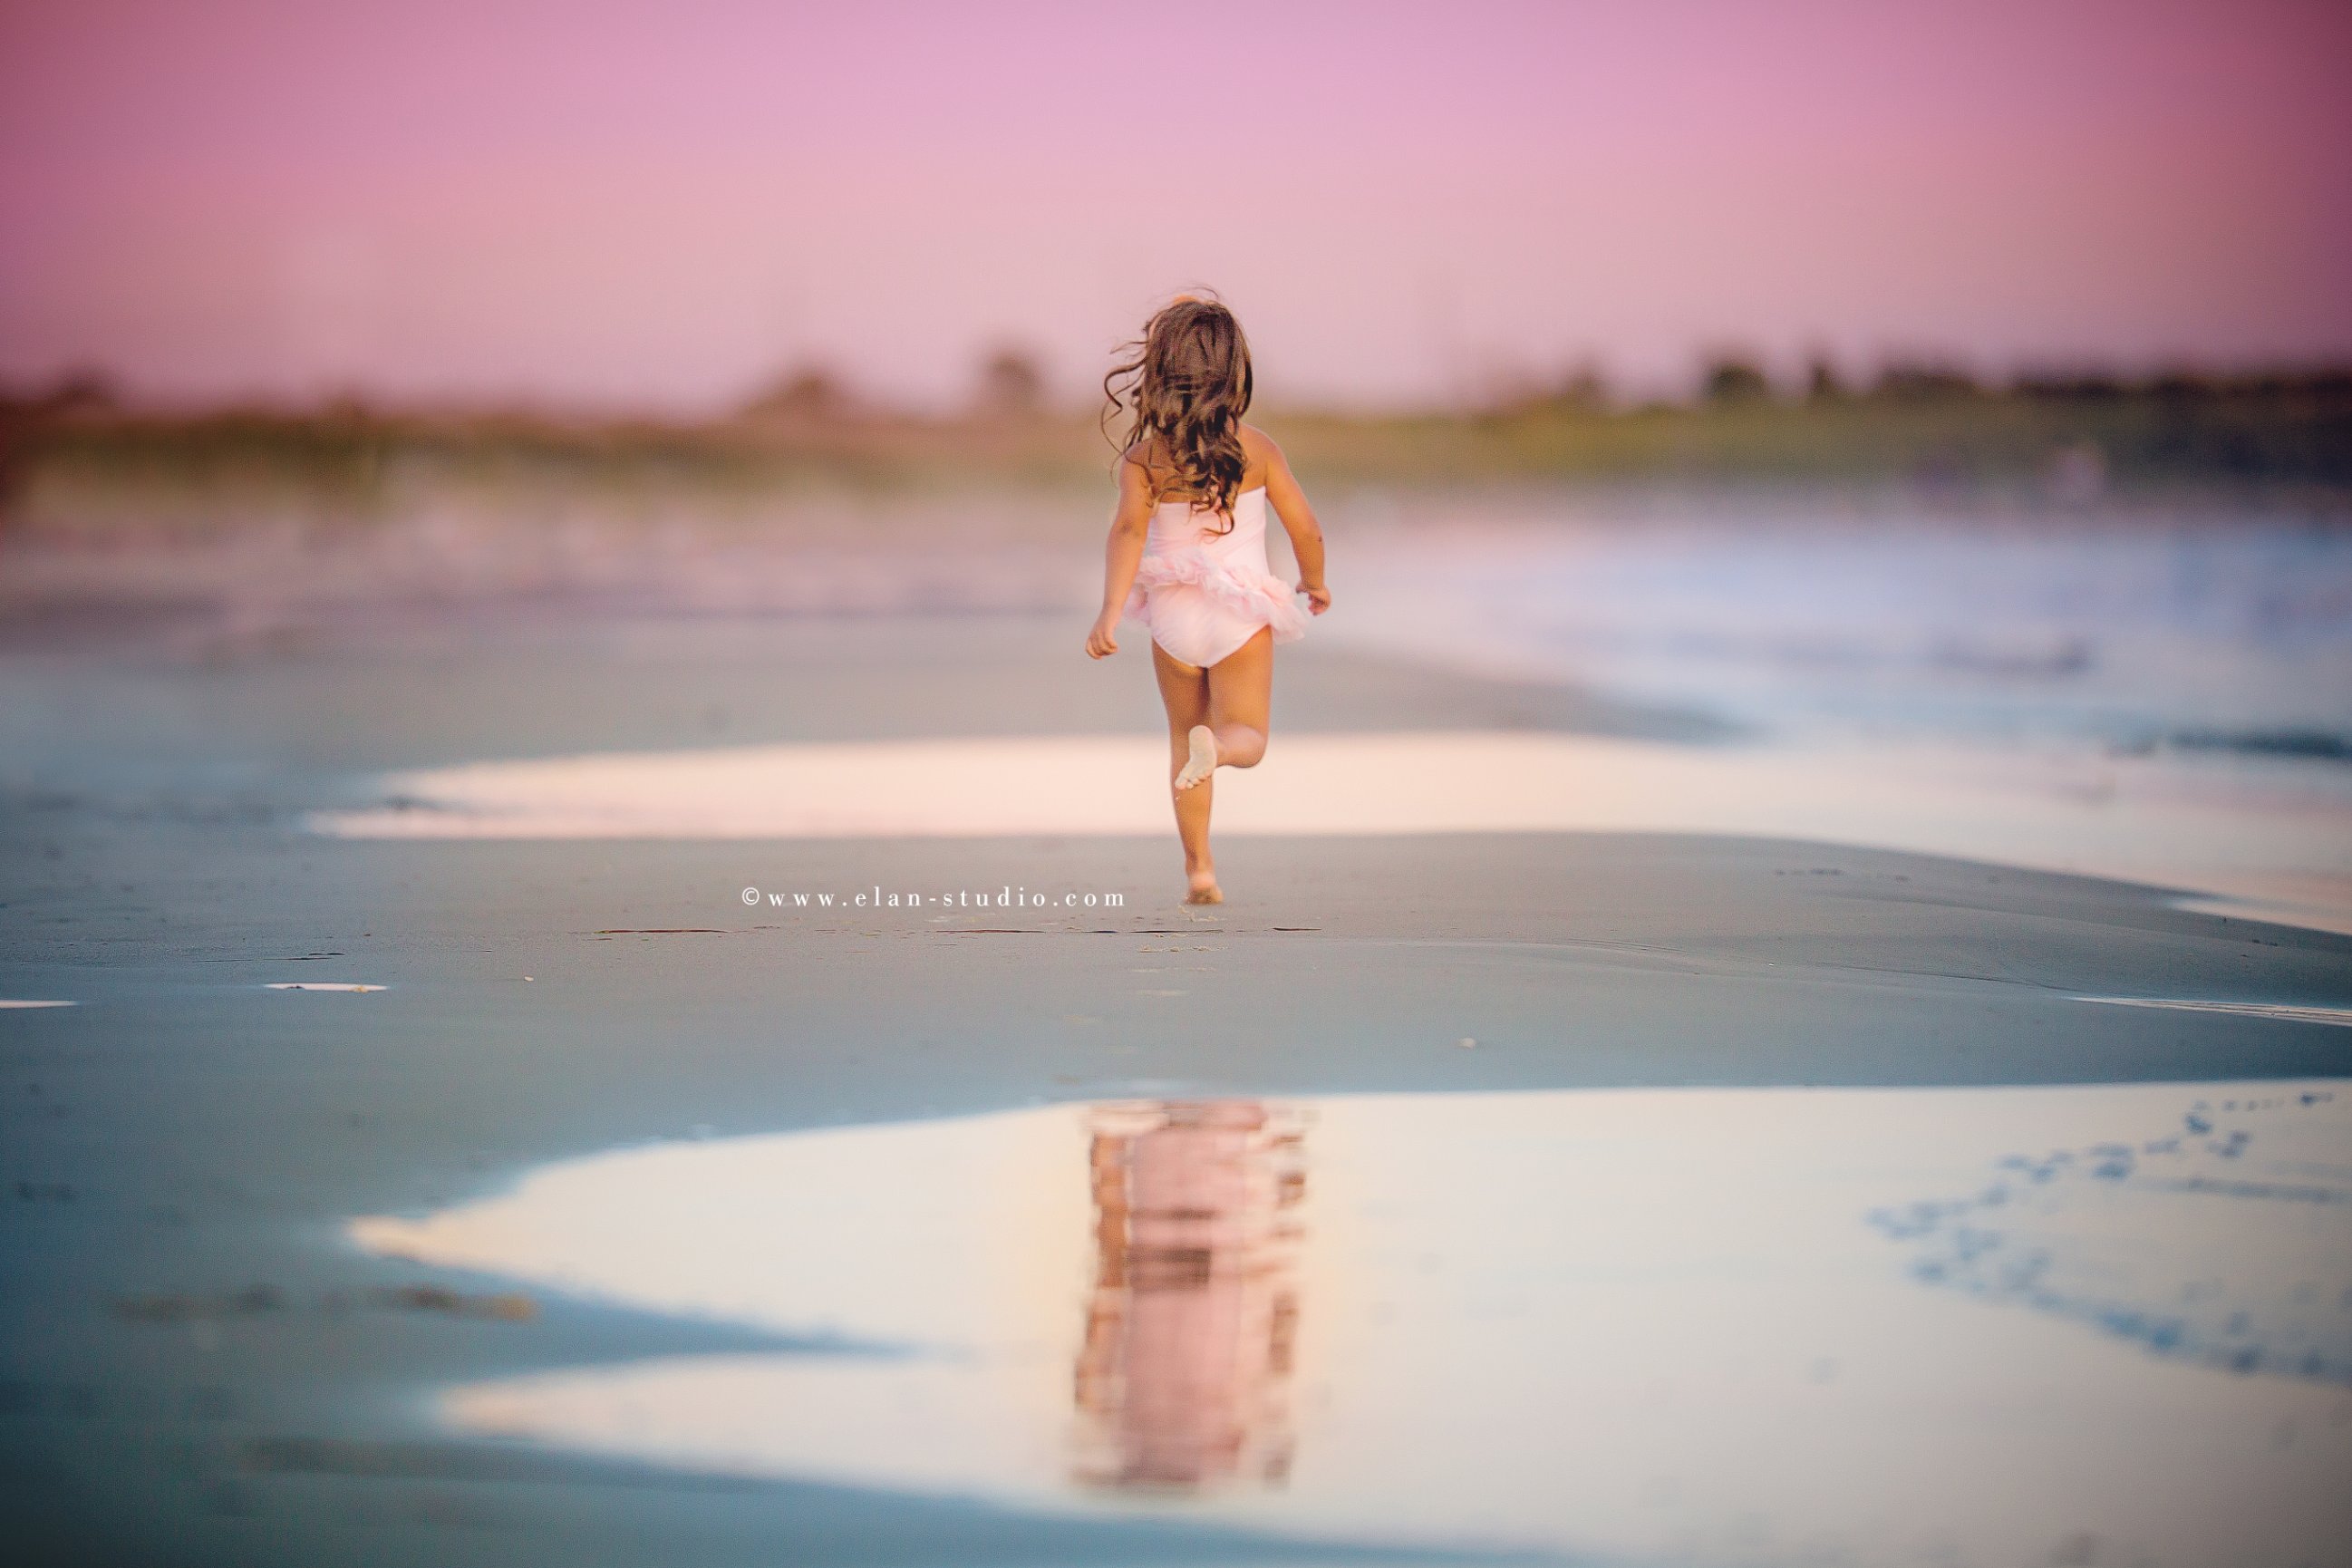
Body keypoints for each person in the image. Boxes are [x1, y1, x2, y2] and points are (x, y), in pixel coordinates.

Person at [1085, 296, 1331, 905]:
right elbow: (1305, 528)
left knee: (1179, 739)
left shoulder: (1143, 459)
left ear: (1160, 374)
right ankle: (1219, 749)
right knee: (1244, 734)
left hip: (1171, 614)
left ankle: (1199, 870)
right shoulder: (1258, 449)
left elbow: (1126, 535)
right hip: (1241, 612)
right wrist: (1314, 581)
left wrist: (1110, 612)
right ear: (1232, 372)